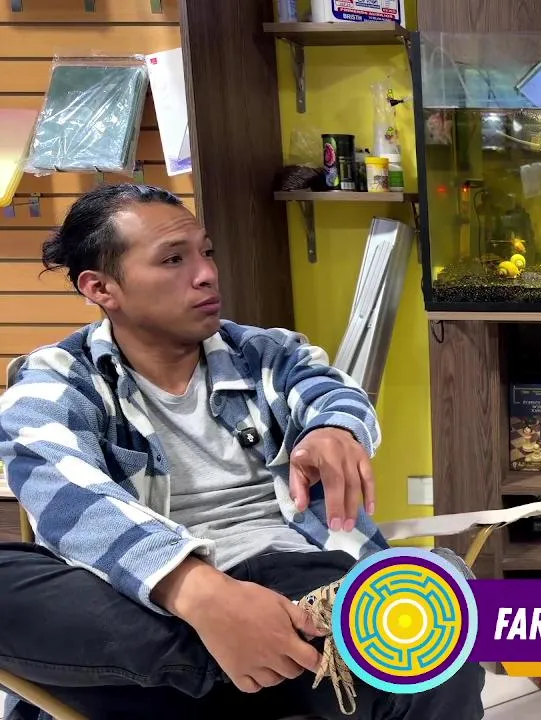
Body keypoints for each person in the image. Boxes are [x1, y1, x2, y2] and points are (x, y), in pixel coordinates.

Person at [0, 184, 485, 719]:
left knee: (436, 657)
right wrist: (202, 595)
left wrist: (334, 428)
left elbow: (331, 392)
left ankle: (260, 652)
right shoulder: (57, 379)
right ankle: (237, 654)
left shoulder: (264, 352)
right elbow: (65, 495)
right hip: (147, 608)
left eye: (206, 252)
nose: (206, 273)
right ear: (101, 287)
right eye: (173, 259)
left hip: (293, 585)